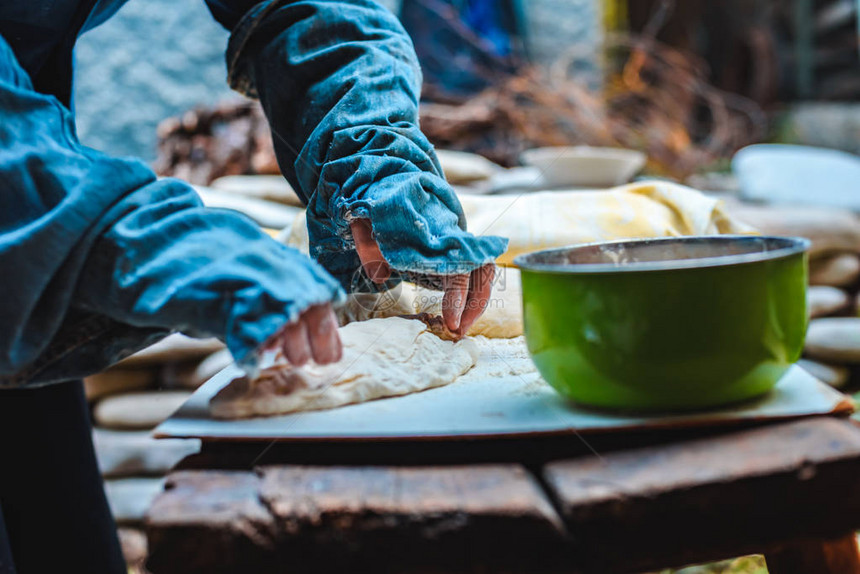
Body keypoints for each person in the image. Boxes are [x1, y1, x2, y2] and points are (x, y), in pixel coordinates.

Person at [0, 1, 507, 572]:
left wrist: (374, 151)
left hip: (26, 285)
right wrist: (130, 237)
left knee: (68, 545)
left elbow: (309, 8)